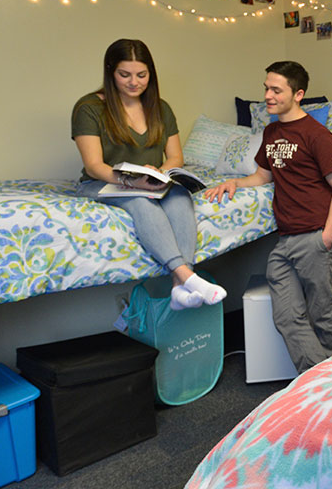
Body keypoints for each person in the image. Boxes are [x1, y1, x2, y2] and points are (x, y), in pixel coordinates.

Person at [205, 61, 332, 373]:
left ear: (297, 94)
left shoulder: (317, 135)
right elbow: (263, 175)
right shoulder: (271, 132)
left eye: (276, 90)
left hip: (315, 234)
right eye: (266, 89)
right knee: (286, 315)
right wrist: (234, 182)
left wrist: (326, 236)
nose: (267, 96)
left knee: (322, 312)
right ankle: (318, 379)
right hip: (286, 238)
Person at [72, 39, 226, 310]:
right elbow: (94, 165)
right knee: (140, 202)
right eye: (125, 75)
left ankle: (180, 289)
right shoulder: (89, 108)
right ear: (110, 72)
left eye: (141, 75)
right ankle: (188, 276)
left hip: (150, 182)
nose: (134, 82)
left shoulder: (160, 107)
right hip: (104, 182)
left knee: (179, 197)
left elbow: (176, 157)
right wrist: (131, 181)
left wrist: (161, 173)